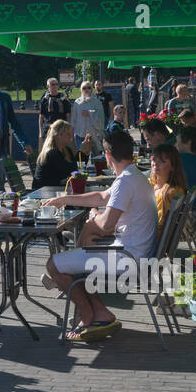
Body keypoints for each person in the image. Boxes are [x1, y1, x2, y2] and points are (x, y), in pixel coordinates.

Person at [39, 131, 159, 342]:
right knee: (74, 258)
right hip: (135, 254)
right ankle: (101, 313)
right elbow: (102, 196)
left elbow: (105, 225)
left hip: (127, 259)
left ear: (107, 155)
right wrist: (65, 199)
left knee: (53, 265)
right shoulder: (134, 175)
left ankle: (87, 316)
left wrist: (94, 216)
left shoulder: (126, 182)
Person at [34, 119, 93, 187]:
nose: (71, 137)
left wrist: (86, 152)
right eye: (68, 134)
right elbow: (69, 172)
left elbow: (77, 170)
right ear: (58, 135)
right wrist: (81, 151)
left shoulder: (66, 150)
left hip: (56, 187)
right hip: (43, 191)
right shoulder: (51, 153)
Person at [149, 143, 187, 229]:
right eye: (154, 159)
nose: (155, 164)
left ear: (173, 166)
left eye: (162, 161)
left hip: (151, 236)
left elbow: (160, 223)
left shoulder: (171, 192)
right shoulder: (149, 183)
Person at [69, 80, 106, 150]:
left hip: (94, 134)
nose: (86, 89)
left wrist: (89, 113)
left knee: (96, 158)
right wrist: (72, 134)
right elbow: (73, 119)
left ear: (91, 89)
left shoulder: (97, 102)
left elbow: (100, 117)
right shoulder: (77, 102)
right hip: (80, 134)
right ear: (81, 90)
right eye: (84, 88)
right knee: (81, 159)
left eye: (88, 87)